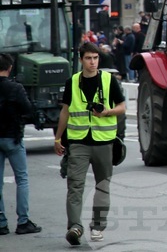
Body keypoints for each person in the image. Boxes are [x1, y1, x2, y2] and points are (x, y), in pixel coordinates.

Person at [54, 42, 126, 245]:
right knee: (75, 186)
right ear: (81, 59)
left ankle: (97, 226)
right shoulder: (73, 82)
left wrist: (107, 112)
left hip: (104, 143)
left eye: (95, 58)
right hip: (78, 143)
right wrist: (58, 138)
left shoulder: (108, 80)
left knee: (102, 187)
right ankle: (75, 227)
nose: (92, 62)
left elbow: (122, 107)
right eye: (88, 58)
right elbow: (65, 111)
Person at [0, 53, 41, 236]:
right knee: (22, 179)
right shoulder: (15, 88)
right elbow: (28, 109)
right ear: (9, 68)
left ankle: (1, 222)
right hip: (13, 136)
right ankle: (23, 221)